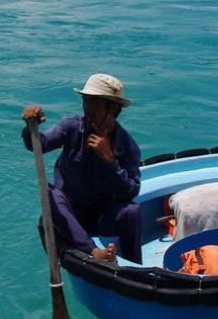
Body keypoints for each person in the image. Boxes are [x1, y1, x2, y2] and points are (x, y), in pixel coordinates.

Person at [21, 73, 143, 264]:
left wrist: (110, 162)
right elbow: (39, 144)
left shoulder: (127, 145)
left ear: (112, 109)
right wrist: (31, 127)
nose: (87, 107)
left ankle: (135, 269)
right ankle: (92, 250)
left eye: (93, 102)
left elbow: (129, 192)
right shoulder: (71, 127)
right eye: (85, 100)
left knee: (132, 212)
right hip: (68, 212)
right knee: (51, 195)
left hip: (99, 215)